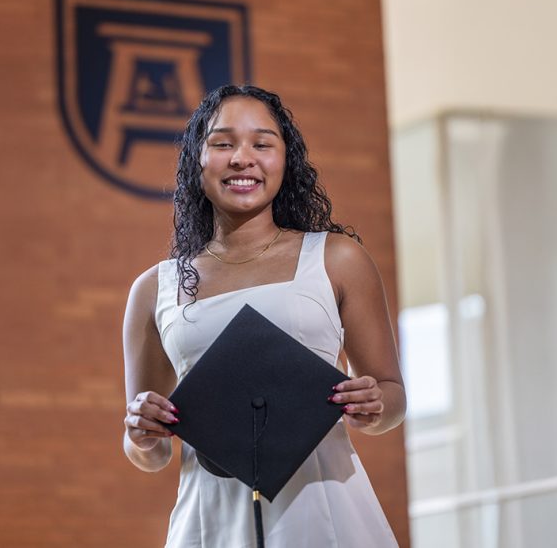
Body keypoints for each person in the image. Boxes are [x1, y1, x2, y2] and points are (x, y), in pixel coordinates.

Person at [122, 85, 406, 548]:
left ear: (284, 161)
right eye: (222, 143)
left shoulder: (337, 259)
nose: (242, 158)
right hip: (210, 519)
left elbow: (392, 396)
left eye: (262, 143)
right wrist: (141, 434)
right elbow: (148, 452)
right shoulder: (155, 288)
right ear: (197, 160)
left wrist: (373, 407)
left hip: (324, 508)